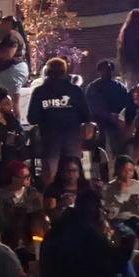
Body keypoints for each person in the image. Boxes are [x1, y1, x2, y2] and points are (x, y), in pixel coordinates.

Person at [25, 57, 89, 189]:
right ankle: (73, 203)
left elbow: (32, 118)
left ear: (47, 72)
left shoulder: (40, 92)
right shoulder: (75, 91)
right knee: (72, 173)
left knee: (50, 174)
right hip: (71, 138)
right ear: (65, 72)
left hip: (50, 139)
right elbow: (86, 116)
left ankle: (50, 203)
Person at [102, 157, 139, 242]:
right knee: (129, 236)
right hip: (119, 221)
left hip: (138, 220)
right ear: (118, 171)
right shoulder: (109, 188)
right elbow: (109, 215)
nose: (127, 174)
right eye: (124, 170)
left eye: (130, 170)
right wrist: (121, 194)